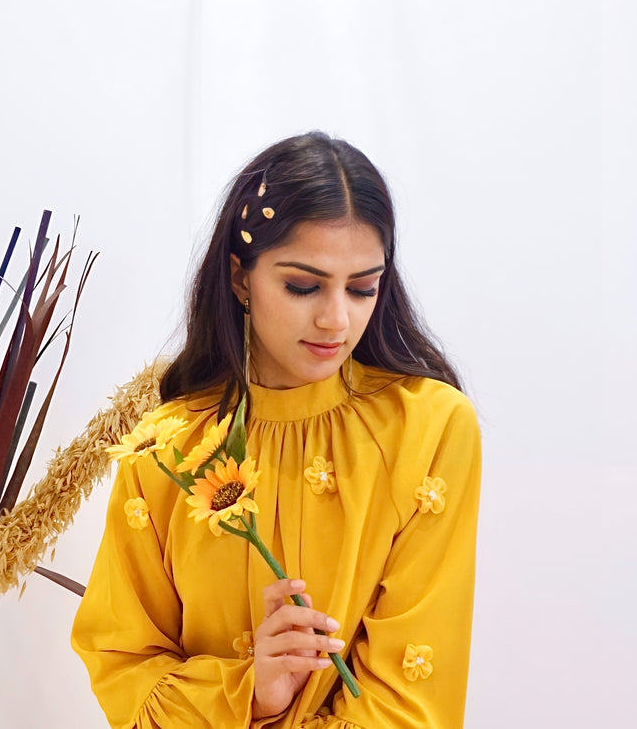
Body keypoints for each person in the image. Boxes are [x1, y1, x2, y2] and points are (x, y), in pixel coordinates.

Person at [71, 131, 481, 728]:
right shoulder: (165, 450)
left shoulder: (430, 429)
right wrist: (252, 694)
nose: (336, 319)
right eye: (302, 285)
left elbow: (411, 702)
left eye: (363, 288)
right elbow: (124, 669)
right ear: (241, 278)